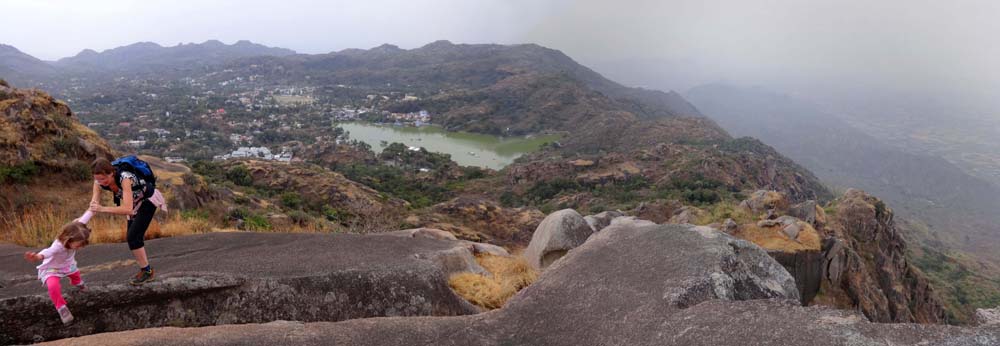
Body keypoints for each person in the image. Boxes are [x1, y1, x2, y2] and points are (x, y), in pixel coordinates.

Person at [89, 157, 166, 285]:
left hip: (148, 199)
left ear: (111, 173)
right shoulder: (98, 181)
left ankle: (147, 271)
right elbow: (94, 204)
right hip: (134, 203)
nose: (101, 182)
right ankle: (146, 270)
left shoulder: (125, 178)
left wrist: (102, 208)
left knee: (133, 236)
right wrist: (80, 221)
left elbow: (128, 209)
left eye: (103, 179)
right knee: (132, 239)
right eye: (97, 179)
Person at [24, 215, 93, 325]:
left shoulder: (76, 229)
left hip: (67, 265)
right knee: (52, 286)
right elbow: (47, 252)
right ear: (69, 240)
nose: (80, 247)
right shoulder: (58, 246)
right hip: (53, 268)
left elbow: (83, 219)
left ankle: (79, 284)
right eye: (79, 245)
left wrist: (93, 209)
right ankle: (61, 308)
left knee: (76, 275)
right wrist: (37, 257)